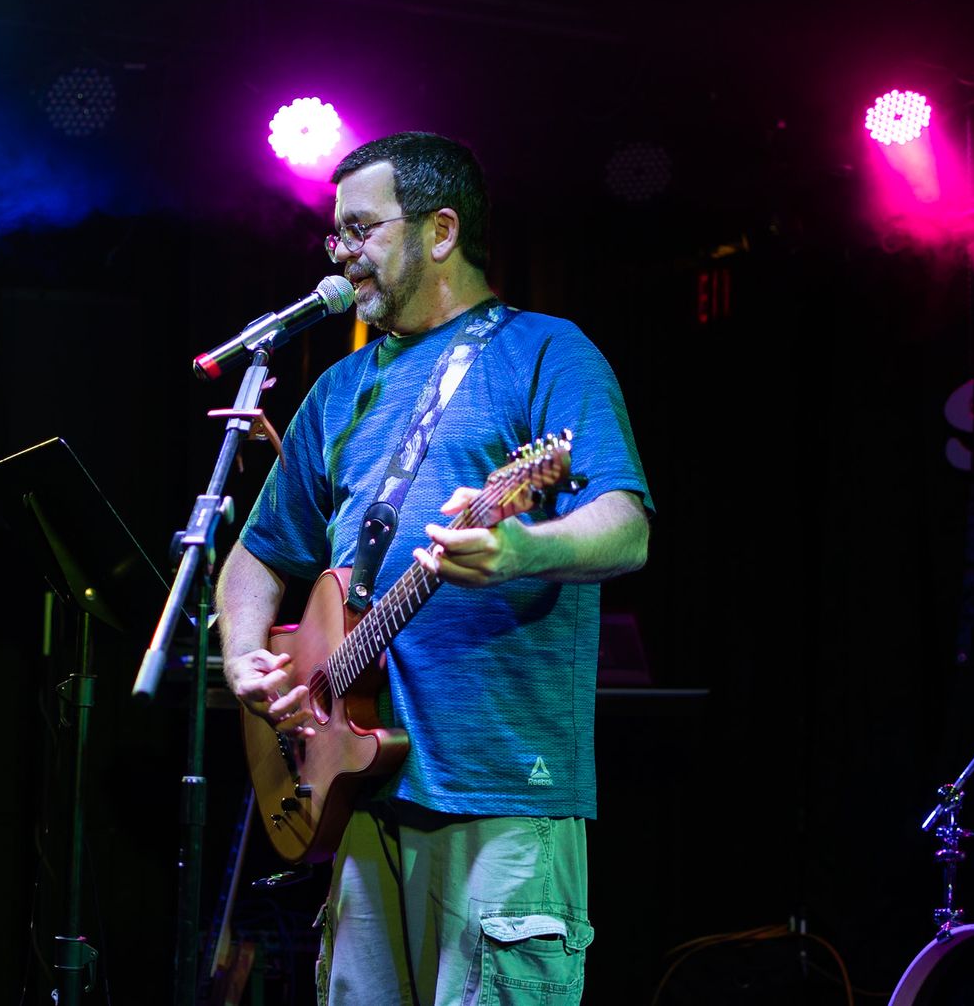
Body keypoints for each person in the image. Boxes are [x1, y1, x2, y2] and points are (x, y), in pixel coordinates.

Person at [217, 131, 652, 1005]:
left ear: (441, 230)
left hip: (500, 795)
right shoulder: (338, 390)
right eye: (335, 233)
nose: (339, 253)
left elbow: (626, 525)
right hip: (360, 800)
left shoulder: (547, 352)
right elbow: (254, 557)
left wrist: (525, 548)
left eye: (361, 229)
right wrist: (242, 663)